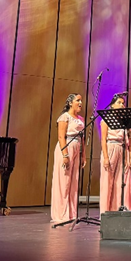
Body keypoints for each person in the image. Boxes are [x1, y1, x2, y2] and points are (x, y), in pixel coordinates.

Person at [51, 93, 86, 223]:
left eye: (81, 100)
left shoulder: (81, 119)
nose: (80, 103)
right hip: (66, 147)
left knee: (73, 181)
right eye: (78, 100)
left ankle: (71, 213)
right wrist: (65, 154)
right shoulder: (64, 117)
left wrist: (83, 155)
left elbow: (82, 138)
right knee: (64, 181)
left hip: (77, 147)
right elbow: (61, 136)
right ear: (71, 103)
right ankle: (61, 213)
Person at [99, 93, 131, 213]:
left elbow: (129, 140)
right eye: (119, 102)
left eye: (123, 103)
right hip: (111, 147)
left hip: (122, 149)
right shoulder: (106, 120)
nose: (122, 105)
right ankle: (105, 211)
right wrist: (106, 157)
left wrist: (130, 156)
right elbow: (103, 139)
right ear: (112, 105)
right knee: (108, 180)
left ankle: (117, 209)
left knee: (120, 181)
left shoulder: (125, 121)